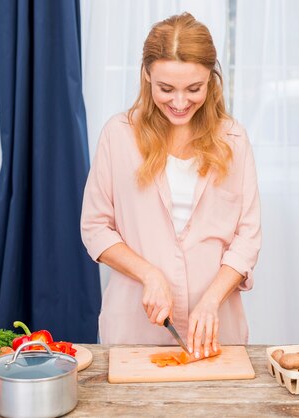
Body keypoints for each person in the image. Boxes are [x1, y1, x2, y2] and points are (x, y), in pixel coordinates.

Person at [81, 13, 261, 358]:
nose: (180, 103)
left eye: (194, 89)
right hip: (134, 325)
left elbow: (248, 236)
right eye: (166, 89)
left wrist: (212, 300)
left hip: (217, 326)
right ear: (147, 75)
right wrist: (148, 273)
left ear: (212, 79)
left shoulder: (234, 140)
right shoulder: (118, 136)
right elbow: (95, 228)